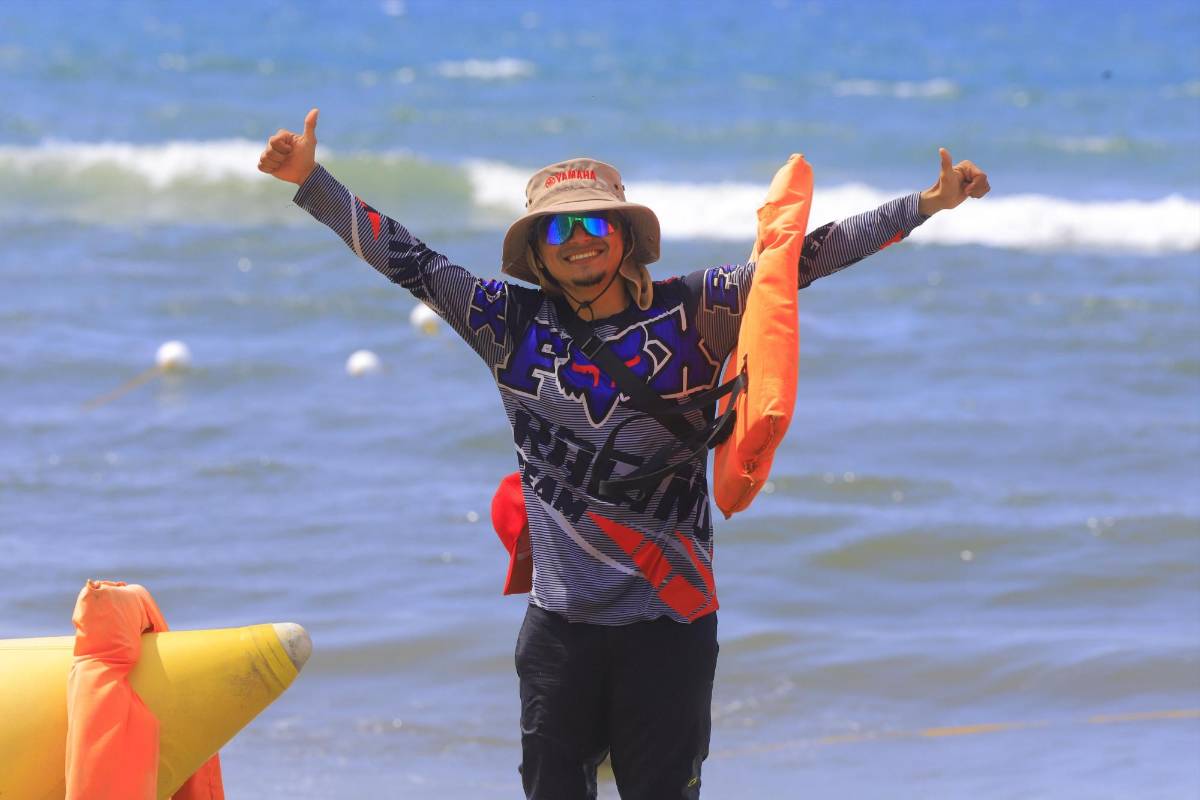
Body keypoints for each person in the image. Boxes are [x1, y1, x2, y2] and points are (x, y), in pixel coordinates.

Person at [257, 108, 989, 800]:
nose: (580, 236)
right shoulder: (505, 322)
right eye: (559, 227)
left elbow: (804, 257)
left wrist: (926, 205)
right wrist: (314, 184)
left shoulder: (700, 309)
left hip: (670, 625)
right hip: (560, 631)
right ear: (539, 250)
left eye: (595, 220)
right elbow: (410, 262)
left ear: (624, 233)